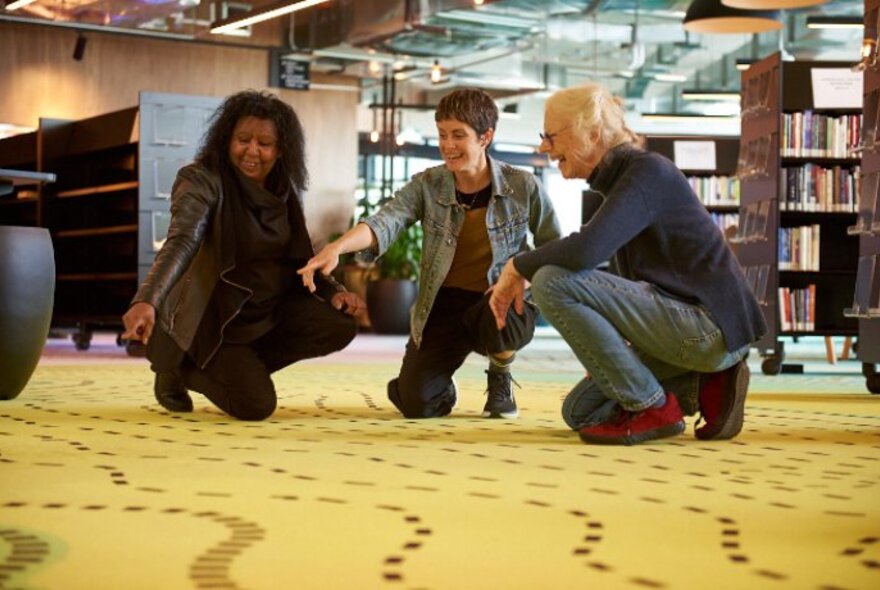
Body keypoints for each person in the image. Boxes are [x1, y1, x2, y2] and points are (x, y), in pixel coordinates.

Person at [489, 82, 767, 445]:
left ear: (591, 132)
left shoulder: (648, 172)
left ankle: (652, 407)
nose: (543, 147)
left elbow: (586, 251)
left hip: (710, 328)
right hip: (687, 329)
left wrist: (517, 266)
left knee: (551, 281)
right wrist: (610, 356)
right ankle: (703, 383)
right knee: (580, 412)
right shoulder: (622, 181)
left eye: (550, 135)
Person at [298, 88, 561, 419]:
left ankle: (500, 374)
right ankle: (427, 384)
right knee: (416, 403)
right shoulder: (428, 184)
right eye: (442, 135)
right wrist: (336, 247)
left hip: (497, 298)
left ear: (486, 137)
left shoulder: (522, 185)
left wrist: (521, 279)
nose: (447, 145)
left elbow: (553, 245)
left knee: (502, 310)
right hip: (444, 303)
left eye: (458, 135)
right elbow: (385, 221)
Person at [121, 90, 364, 421]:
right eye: (243, 139)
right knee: (256, 406)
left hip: (266, 311)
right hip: (215, 320)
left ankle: (240, 370)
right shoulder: (201, 179)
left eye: (264, 143)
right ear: (226, 140)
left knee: (338, 326)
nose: (252, 151)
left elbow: (301, 261)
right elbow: (181, 241)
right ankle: (179, 367)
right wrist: (147, 299)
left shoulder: (284, 191)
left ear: (280, 151)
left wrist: (334, 292)